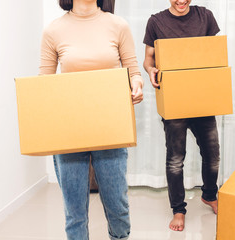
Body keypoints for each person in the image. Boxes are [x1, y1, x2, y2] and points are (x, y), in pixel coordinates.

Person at [39, 0, 143, 239]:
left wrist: (136, 86)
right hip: (69, 131)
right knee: (74, 212)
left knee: (117, 206)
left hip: (111, 128)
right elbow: (42, 83)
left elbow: (133, 71)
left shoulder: (118, 25)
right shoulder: (53, 30)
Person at [143, 0, 221, 232]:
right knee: (176, 159)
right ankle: (178, 210)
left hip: (202, 98)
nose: (181, 1)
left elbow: (214, 54)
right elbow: (148, 58)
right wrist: (150, 69)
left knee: (212, 154)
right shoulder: (156, 21)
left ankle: (209, 195)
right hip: (174, 100)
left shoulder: (205, 16)